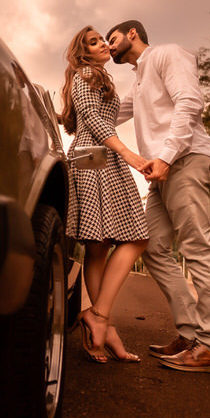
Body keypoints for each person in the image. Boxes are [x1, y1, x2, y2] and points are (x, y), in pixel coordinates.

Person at [106, 19, 210, 373]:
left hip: (183, 159)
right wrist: (66, 111)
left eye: (112, 39)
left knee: (196, 247)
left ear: (132, 34)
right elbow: (109, 116)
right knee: (152, 245)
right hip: (161, 172)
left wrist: (166, 156)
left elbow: (190, 101)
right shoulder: (140, 79)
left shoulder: (167, 55)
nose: (110, 46)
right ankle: (190, 334)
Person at [60, 26, 149, 364]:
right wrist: (128, 154)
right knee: (137, 238)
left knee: (98, 246)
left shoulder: (96, 77)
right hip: (95, 155)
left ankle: (101, 325)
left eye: (103, 40)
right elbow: (93, 119)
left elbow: (92, 117)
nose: (103, 46)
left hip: (92, 154)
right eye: (95, 41)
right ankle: (100, 318)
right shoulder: (86, 73)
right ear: (83, 52)